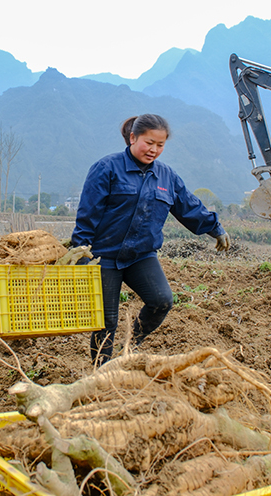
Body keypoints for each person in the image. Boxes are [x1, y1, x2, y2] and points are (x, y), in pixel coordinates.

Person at [71, 114, 231, 366]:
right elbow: (88, 214)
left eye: (160, 145)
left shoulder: (167, 176)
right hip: (104, 256)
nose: (154, 150)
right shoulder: (107, 168)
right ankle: (101, 373)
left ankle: (130, 347)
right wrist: (80, 253)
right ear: (133, 138)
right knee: (106, 320)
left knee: (161, 301)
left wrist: (215, 228)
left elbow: (188, 206)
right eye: (149, 143)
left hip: (141, 255)